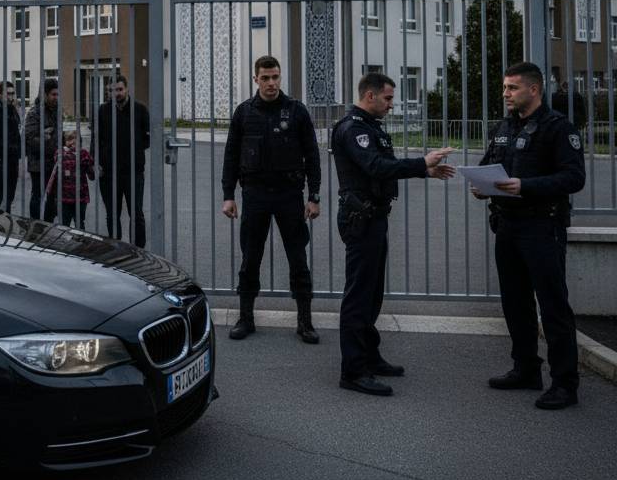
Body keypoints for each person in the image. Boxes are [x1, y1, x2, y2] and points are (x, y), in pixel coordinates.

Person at [331, 72, 454, 396]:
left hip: (374, 217)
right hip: (361, 218)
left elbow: (386, 166)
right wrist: (420, 164)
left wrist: (424, 170)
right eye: (387, 98)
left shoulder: (371, 127)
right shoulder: (353, 128)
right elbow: (375, 166)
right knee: (359, 295)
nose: (391, 104)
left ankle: (369, 356)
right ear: (369, 96)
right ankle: (353, 371)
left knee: (371, 294)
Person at [473, 61, 585, 410]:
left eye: (512, 88)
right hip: (507, 225)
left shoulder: (557, 128)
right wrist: (481, 185)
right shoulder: (503, 127)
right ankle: (526, 368)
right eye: (505, 88)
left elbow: (573, 178)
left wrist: (526, 187)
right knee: (515, 302)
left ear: (533, 89)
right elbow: (486, 164)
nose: (505, 94)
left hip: (542, 227)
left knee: (553, 306)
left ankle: (565, 383)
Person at [221, 55, 322, 344]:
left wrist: (314, 196)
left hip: (290, 196)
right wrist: (228, 196)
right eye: (265, 78)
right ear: (256, 79)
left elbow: (312, 156)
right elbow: (230, 157)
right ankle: (246, 318)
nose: (271, 83)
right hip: (255, 196)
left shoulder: (297, 111)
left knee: (297, 258)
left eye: (275, 77)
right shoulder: (244, 113)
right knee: (250, 257)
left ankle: (305, 321)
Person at [96, 75, 150, 247]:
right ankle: (115, 248)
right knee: (112, 214)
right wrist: (95, 161)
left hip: (133, 171)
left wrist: (134, 148)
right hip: (109, 172)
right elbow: (96, 139)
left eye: (119, 89)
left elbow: (148, 137)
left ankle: (139, 250)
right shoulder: (103, 111)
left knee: (136, 214)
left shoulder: (140, 109)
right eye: (112, 90)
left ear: (126, 89)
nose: (116, 93)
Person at [25, 78, 60, 222]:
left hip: (54, 163)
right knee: (38, 196)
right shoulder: (35, 113)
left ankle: (48, 225)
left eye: (58, 94)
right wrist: (47, 139)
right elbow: (30, 140)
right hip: (38, 164)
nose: (56, 98)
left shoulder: (56, 111)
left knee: (52, 198)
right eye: (53, 94)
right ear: (45, 94)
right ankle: (35, 225)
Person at [46, 129, 95, 229]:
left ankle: (80, 241)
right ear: (65, 142)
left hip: (80, 198)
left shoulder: (83, 154)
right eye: (69, 139)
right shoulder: (61, 154)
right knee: (65, 224)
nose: (72, 142)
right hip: (65, 198)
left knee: (79, 223)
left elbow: (91, 174)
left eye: (74, 139)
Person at [0, 80, 22, 212]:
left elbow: (17, 132)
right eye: (8, 94)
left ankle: (5, 222)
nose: (11, 97)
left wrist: (18, 149)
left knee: (9, 196)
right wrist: (12, 148)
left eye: (13, 94)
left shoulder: (12, 110)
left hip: (12, 160)